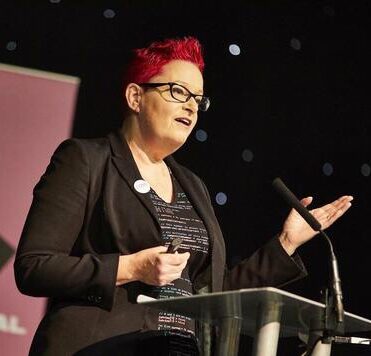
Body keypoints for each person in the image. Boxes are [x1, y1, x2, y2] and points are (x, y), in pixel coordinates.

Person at [14, 37, 352, 356]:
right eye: (178, 92)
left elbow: (210, 295)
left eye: (197, 98)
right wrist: (131, 267)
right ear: (135, 97)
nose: (191, 107)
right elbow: (35, 267)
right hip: (99, 347)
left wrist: (285, 245)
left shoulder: (193, 185)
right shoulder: (86, 160)